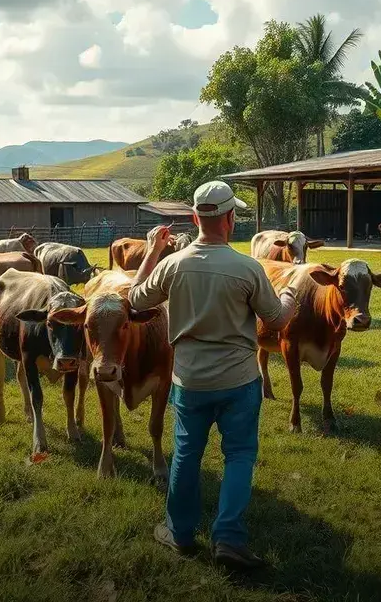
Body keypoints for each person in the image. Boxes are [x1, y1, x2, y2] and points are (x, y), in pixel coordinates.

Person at [128, 180, 299, 568]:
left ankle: (180, 533)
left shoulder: (173, 265)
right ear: (230, 219)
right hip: (239, 381)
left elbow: (135, 299)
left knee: (186, 454)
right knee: (239, 455)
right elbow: (276, 320)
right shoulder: (248, 268)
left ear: (195, 218)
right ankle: (229, 538)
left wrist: (153, 250)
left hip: (189, 381)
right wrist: (290, 296)